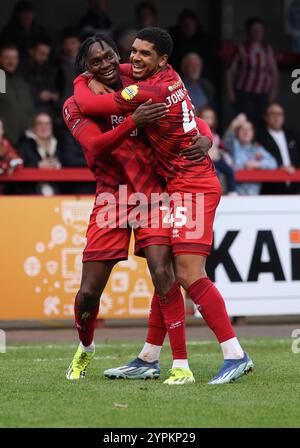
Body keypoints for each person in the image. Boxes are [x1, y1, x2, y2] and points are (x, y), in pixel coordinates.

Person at [74, 27, 254, 384]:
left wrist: (81, 79)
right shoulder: (165, 77)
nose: (134, 58)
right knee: (167, 273)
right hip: (175, 186)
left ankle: (235, 353)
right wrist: (207, 136)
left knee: (188, 275)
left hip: (192, 186)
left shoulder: (148, 89)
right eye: (133, 51)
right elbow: (188, 115)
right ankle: (148, 357)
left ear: (162, 60)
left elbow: (92, 103)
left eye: (144, 54)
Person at [64, 34, 207, 383]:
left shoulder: (137, 80)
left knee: (163, 273)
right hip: (112, 198)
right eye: (96, 61)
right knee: (88, 294)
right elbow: (95, 147)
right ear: (86, 67)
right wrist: (133, 122)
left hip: (152, 194)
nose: (107, 63)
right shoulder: (75, 103)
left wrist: (206, 134)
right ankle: (86, 346)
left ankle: (179, 364)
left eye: (110, 55)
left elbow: (181, 111)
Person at [226, 17, 278, 127]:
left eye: (260, 30)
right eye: (254, 30)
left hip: (263, 94)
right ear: (249, 31)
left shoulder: (268, 49)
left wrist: (273, 92)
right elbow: (230, 71)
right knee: (246, 121)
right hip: (245, 93)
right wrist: (230, 91)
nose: (257, 33)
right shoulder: (241, 49)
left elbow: (274, 72)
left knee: (262, 122)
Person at [223, 114, 277, 195]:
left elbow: (273, 163)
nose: (246, 132)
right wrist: (234, 124)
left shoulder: (257, 149)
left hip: (253, 197)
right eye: (243, 129)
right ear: (237, 132)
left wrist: (258, 164)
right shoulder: (234, 146)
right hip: (235, 196)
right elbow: (227, 139)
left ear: (253, 133)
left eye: (249, 129)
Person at [258, 103, 300, 194]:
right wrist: (280, 167)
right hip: (270, 188)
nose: (276, 117)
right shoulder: (259, 137)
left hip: (294, 186)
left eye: (279, 114)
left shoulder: (292, 135)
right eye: (273, 114)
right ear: (266, 117)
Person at [18, 113, 62, 195]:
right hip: (31, 194)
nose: (44, 127)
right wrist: (38, 165)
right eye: (40, 123)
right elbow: (20, 166)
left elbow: (69, 163)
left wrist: (59, 166)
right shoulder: (25, 145)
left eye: (47, 123)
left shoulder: (60, 144)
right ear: (34, 127)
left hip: (57, 193)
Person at [0, 44, 35, 146]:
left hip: (25, 140)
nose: (11, 62)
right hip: (5, 141)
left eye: (14, 58)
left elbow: (30, 107)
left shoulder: (21, 81)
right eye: (7, 58)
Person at [200, 107, 237, 195]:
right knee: (216, 174)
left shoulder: (215, 135)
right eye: (206, 117)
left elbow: (221, 148)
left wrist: (221, 154)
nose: (208, 120)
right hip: (207, 161)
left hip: (218, 159)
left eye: (211, 118)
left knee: (229, 171)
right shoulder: (198, 134)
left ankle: (232, 191)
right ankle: (214, 193)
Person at [21, 39, 59, 117]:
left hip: (48, 114)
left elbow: (55, 91)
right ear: (31, 51)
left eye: (46, 55)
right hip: (29, 114)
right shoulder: (21, 72)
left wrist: (54, 95)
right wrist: (38, 97)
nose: (44, 58)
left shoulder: (50, 71)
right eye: (41, 53)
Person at [57, 28, 81, 104]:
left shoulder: (88, 63)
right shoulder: (56, 65)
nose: (70, 47)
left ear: (79, 43)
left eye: (73, 43)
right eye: (66, 43)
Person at [0, 119, 23, 193]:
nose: (1, 132)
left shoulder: (5, 144)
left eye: (1, 128)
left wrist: (10, 165)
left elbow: (18, 161)